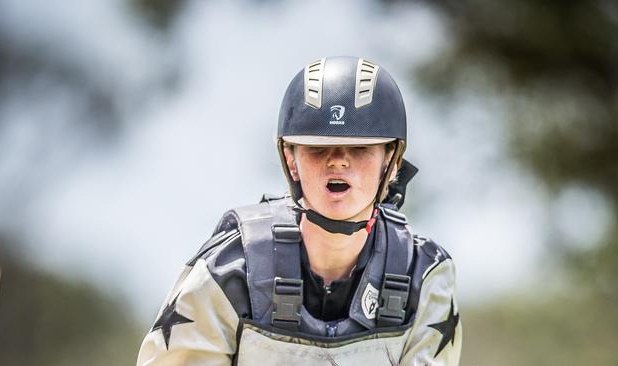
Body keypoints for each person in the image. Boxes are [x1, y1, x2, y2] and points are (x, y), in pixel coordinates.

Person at [137, 56, 462, 365]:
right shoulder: (230, 270)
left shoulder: (423, 274)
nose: (338, 160)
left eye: (361, 147)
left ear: (391, 164)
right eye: (317, 147)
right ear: (291, 160)